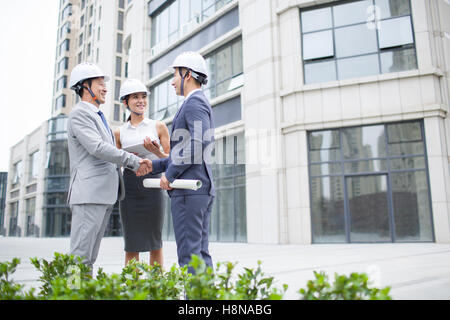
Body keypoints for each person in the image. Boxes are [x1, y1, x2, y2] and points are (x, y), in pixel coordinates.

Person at [67, 62, 152, 274]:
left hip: (102, 194)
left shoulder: (98, 115)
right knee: (80, 258)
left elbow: (106, 149)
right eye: (99, 83)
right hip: (89, 195)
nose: (105, 87)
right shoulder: (80, 114)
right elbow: (97, 147)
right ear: (84, 86)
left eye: (104, 83)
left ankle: (82, 296)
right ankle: (70, 295)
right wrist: (132, 161)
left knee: (89, 258)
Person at [150, 51, 215, 274]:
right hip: (196, 189)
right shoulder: (194, 103)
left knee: (190, 257)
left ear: (187, 74)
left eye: (175, 75)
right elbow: (183, 150)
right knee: (199, 256)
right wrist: (154, 166)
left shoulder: (194, 103)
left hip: (190, 191)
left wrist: (170, 174)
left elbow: (199, 142)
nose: (172, 82)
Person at [113, 79, 170, 267]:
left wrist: (155, 152)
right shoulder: (119, 132)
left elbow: (171, 161)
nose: (141, 101)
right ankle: (133, 292)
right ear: (125, 102)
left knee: (155, 242)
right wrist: (127, 158)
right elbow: (115, 161)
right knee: (131, 244)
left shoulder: (158, 126)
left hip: (153, 187)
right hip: (130, 188)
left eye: (143, 97)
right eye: (135, 97)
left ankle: (158, 291)